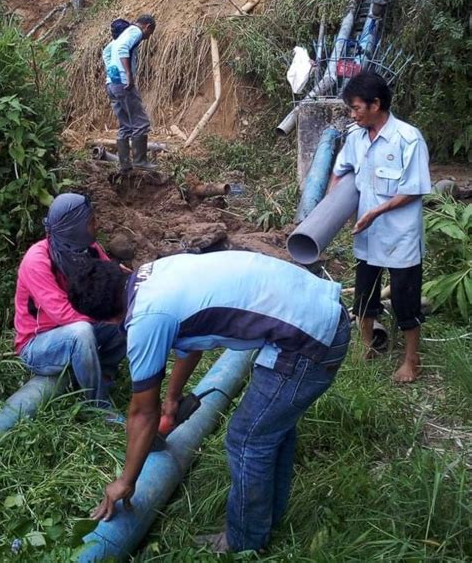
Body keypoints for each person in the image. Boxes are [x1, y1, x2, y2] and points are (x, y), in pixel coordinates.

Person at [67, 250, 351, 553]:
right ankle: (268, 519)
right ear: (121, 270)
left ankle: (245, 543)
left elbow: (141, 414)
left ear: (109, 320)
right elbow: (191, 342)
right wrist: (173, 399)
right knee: (269, 429)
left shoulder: (146, 318)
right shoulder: (155, 274)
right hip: (319, 307)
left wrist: (125, 481)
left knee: (247, 440)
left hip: (312, 340)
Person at [329, 72, 431, 382]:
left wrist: (376, 212)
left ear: (376, 104)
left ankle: (411, 360)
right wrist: (332, 207)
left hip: (400, 236)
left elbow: (413, 189)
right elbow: (340, 171)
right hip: (367, 235)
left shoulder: (407, 138)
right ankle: (367, 346)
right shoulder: (357, 138)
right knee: (365, 294)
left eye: (357, 107)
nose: (352, 114)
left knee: (405, 298)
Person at [14, 193, 126, 410]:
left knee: (126, 321)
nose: (98, 224)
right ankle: (96, 406)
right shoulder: (37, 261)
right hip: (38, 344)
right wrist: (107, 318)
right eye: (91, 221)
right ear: (74, 227)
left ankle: (103, 375)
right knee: (81, 332)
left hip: (77, 330)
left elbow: (111, 282)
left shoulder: (89, 249)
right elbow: (63, 314)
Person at [102, 14, 157, 173]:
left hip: (112, 84)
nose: (148, 36)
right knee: (141, 123)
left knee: (125, 125)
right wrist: (128, 74)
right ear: (147, 27)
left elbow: (106, 52)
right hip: (124, 84)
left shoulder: (119, 37)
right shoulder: (135, 31)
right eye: (150, 32)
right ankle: (140, 161)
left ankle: (125, 165)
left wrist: (112, 73)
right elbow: (122, 49)